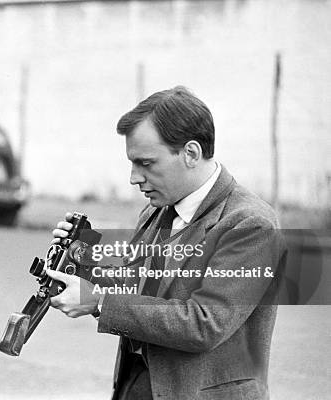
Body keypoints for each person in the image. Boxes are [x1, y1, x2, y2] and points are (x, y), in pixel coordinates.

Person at [46, 86, 286, 399]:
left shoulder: (251, 224)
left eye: (146, 163)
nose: (134, 178)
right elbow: (137, 287)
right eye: (132, 163)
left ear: (191, 153)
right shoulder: (156, 210)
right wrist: (81, 263)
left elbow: (204, 323)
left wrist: (100, 302)